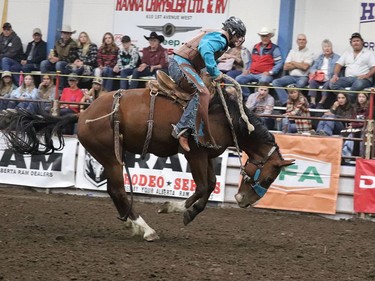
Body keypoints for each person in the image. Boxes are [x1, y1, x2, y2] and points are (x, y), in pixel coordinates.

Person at [169, 16, 247, 151]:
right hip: (181, 64)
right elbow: (205, 49)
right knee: (203, 93)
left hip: (186, 64)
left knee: (208, 92)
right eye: (238, 35)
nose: (238, 39)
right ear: (232, 32)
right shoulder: (221, 39)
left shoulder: (217, 35)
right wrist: (215, 72)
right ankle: (181, 130)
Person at [235, 27, 283, 100]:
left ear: (270, 36)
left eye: (266, 36)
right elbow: (250, 61)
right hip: (252, 73)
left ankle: (260, 100)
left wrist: (270, 72)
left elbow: (279, 63)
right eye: (263, 36)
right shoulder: (255, 47)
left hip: (264, 74)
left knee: (263, 81)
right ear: (260, 37)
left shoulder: (275, 48)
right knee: (239, 79)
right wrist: (247, 69)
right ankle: (248, 97)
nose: (264, 38)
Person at [330, 32, 375, 103]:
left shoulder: (369, 53)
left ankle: (347, 103)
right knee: (332, 84)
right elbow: (338, 65)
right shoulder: (347, 53)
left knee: (358, 84)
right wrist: (335, 75)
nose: (356, 43)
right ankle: (347, 99)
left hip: (363, 80)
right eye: (354, 41)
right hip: (348, 78)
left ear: (362, 42)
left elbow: (374, 67)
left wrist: (367, 75)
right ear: (351, 43)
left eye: (357, 41)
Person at [272, 34, 314, 106]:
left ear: (306, 41)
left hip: (303, 76)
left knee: (299, 84)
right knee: (275, 82)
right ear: (297, 41)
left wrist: (293, 62)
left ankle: (296, 103)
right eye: (300, 39)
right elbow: (285, 67)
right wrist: (300, 64)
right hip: (291, 76)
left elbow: (305, 67)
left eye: (303, 40)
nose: (301, 41)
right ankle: (286, 101)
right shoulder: (292, 51)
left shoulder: (309, 53)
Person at [307, 39, 340, 109]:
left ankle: (321, 102)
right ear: (322, 49)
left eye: (329, 46)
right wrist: (315, 71)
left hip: (329, 78)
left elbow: (339, 69)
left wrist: (335, 75)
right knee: (312, 82)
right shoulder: (320, 57)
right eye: (325, 47)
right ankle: (312, 102)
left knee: (326, 85)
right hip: (319, 78)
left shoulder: (337, 57)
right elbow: (312, 68)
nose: (327, 48)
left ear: (332, 48)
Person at [342, 92, 369, 159]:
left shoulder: (370, 109)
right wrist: (355, 124)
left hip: (364, 129)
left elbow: (365, 122)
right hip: (356, 128)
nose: (361, 99)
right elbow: (352, 120)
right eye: (359, 97)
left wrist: (354, 125)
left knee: (358, 134)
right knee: (349, 134)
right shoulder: (355, 108)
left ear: (366, 99)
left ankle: (360, 156)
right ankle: (346, 155)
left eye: (363, 97)